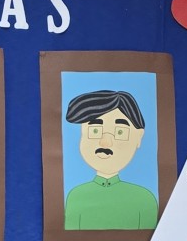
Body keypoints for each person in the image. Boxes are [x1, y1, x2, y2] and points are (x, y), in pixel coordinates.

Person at [63, 89, 158, 230]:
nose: (105, 142)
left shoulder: (145, 199)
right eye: (95, 130)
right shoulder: (75, 197)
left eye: (120, 132)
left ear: (139, 137)